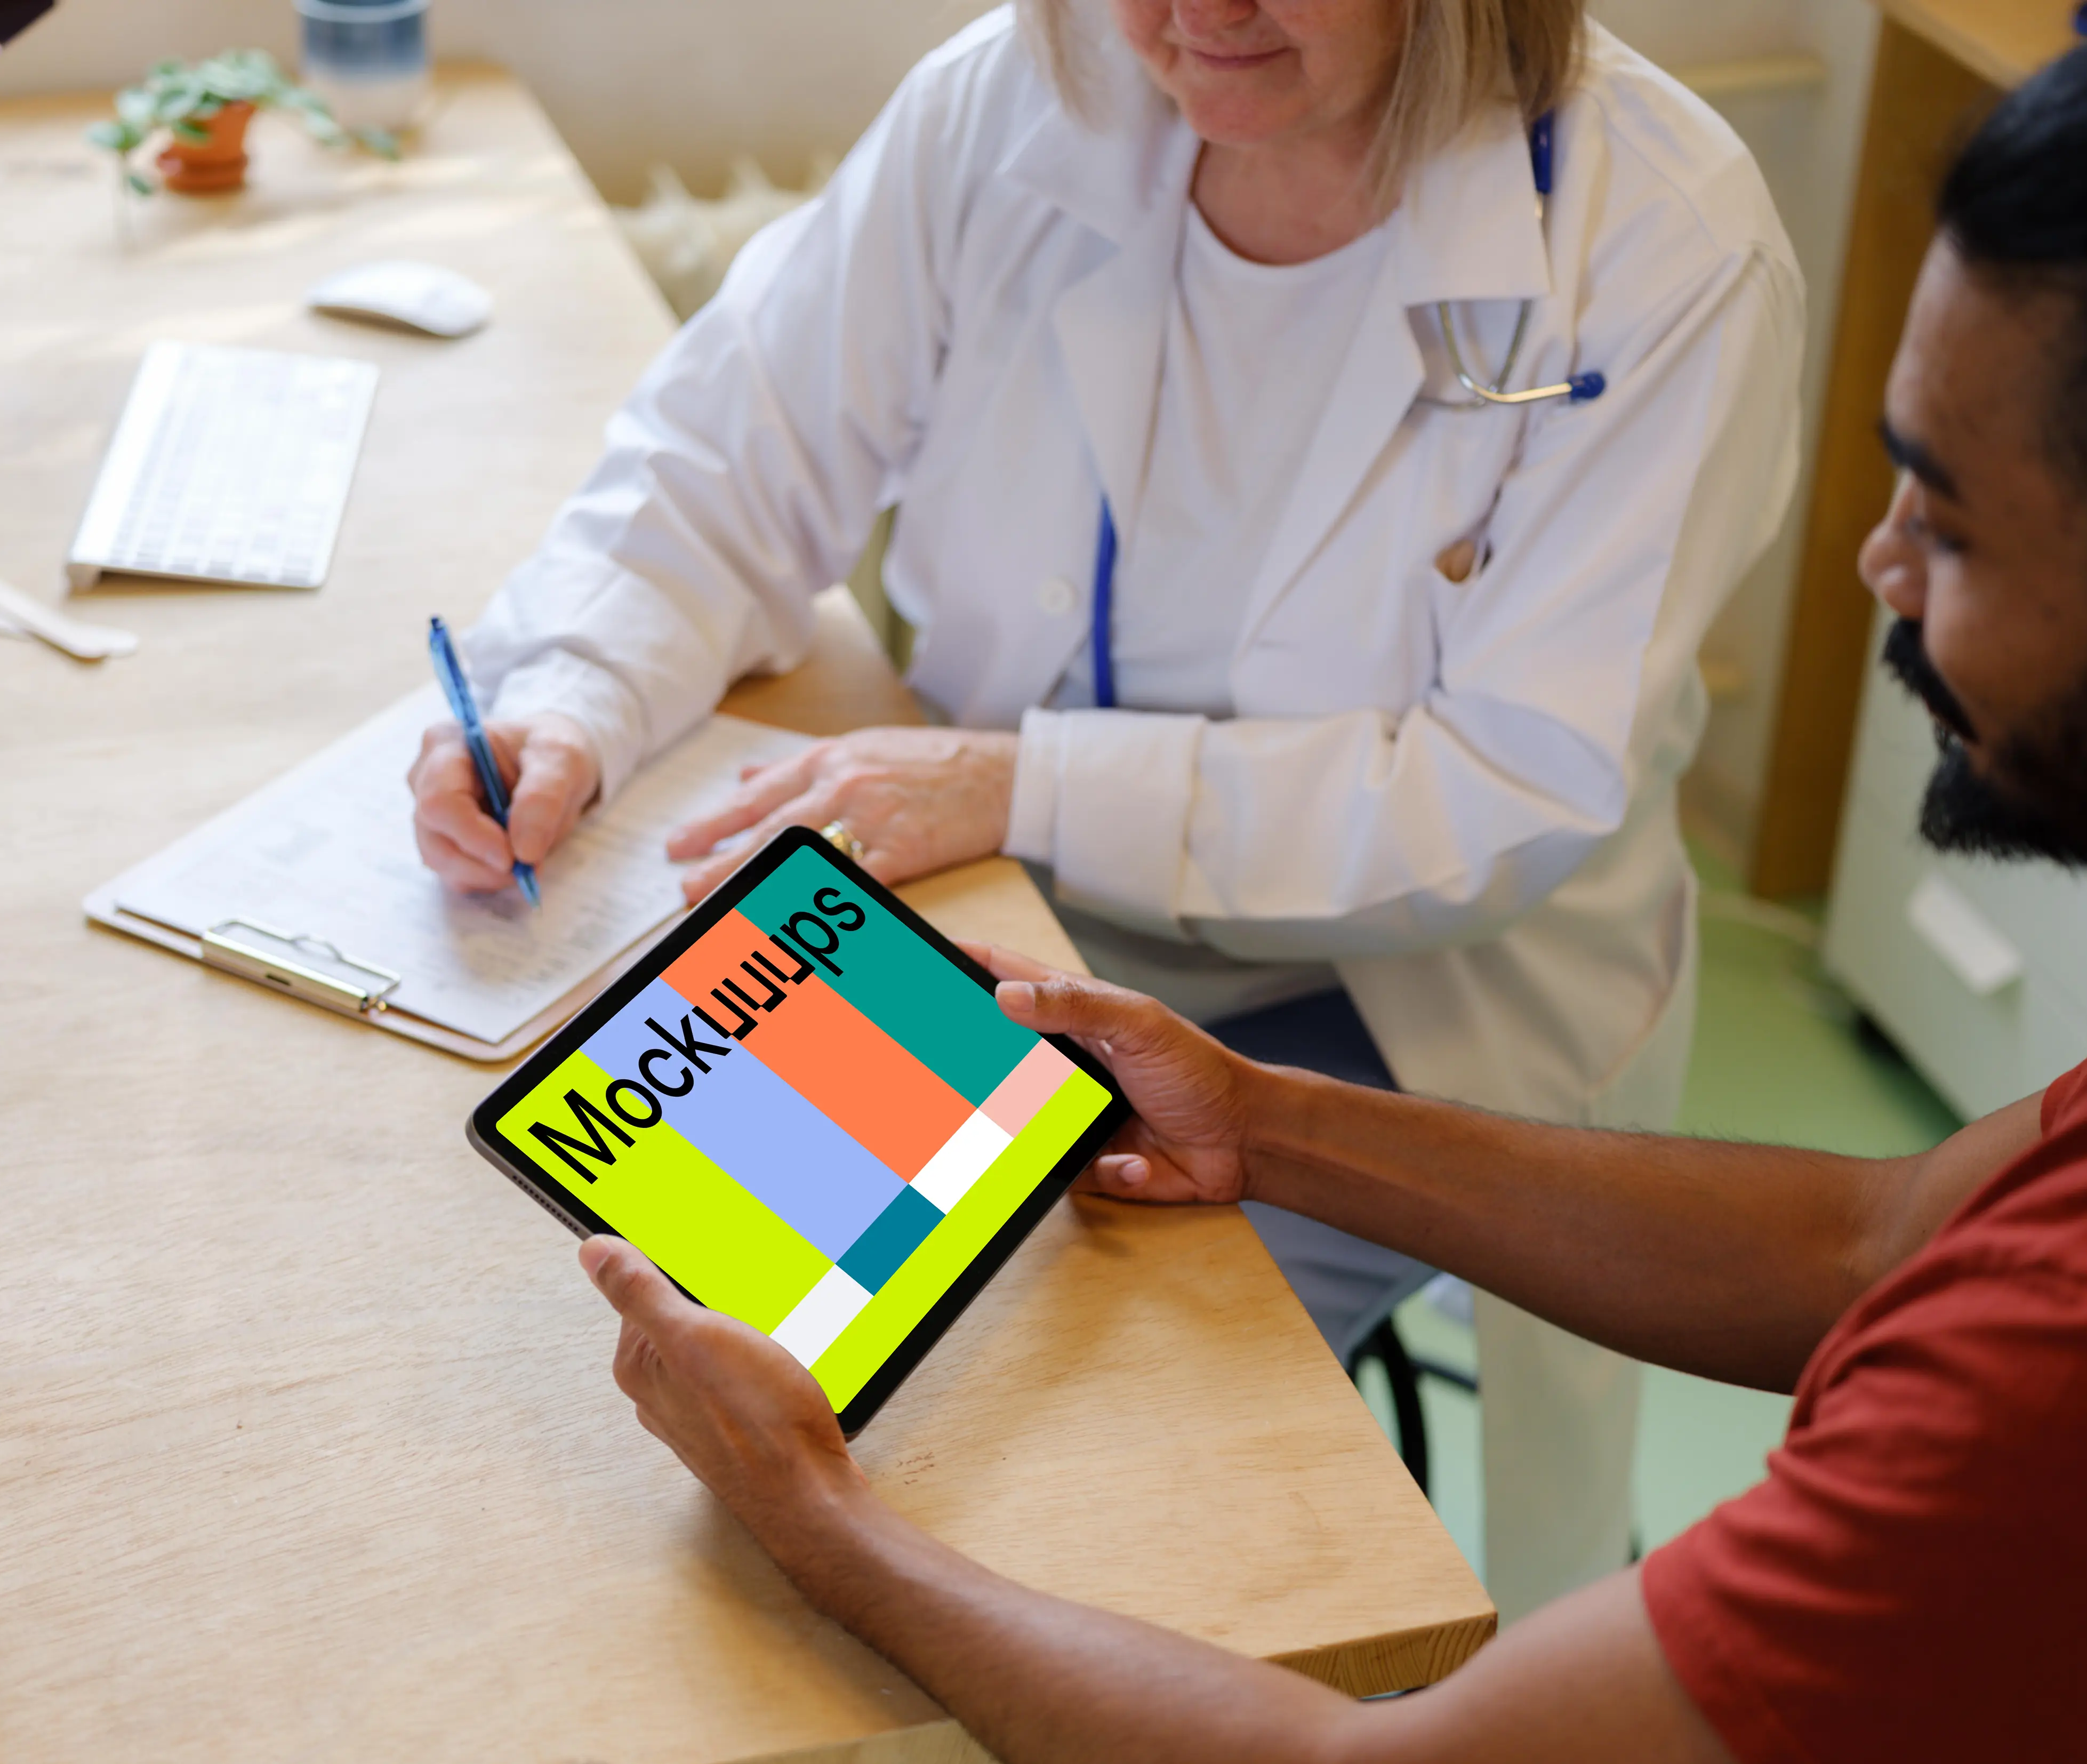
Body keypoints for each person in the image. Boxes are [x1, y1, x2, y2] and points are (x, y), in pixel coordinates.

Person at [555, 13, 2087, 1764]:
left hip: (1428, 993)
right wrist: (1273, 1117)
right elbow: (1890, 1227)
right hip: (1092, 959)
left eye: (1949, 513)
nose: (1876, 564)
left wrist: (821, 1517)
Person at [412, 0, 1805, 1631]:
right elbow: (733, 452)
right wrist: (575, 695)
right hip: (990, 916)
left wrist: (1033, 779)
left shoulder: (1659, 237)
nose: (1191, 15)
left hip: (1380, 1017)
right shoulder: (1016, 93)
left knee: (1022, 1494)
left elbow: (1501, 791)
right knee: (640, 1356)